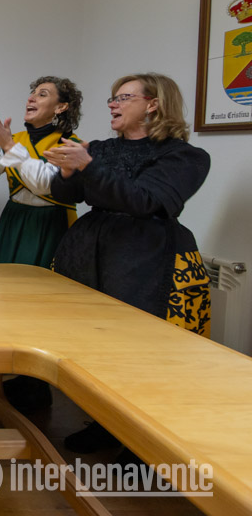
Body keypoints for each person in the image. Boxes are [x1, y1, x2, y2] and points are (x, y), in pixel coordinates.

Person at [45, 73, 211, 453]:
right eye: (112, 98)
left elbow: (144, 201)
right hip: (90, 252)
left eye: (123, 97)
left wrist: (87, 164)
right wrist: (68, 171)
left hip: (147, 259)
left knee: (142, 353)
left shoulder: (185, 156)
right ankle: (104, 425)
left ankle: (146, 444)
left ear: (152, 104)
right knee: (94, 348)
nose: (112, 104)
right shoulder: (100, 148)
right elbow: (69, 194)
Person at [0, 76, 83, 411]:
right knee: (3, 297)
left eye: (43, 94)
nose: (32, 98)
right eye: (32, 92)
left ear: (61, 107)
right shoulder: (13, 140)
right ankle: (8, 373)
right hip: (14, 220)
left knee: (39, 304)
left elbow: (46, 184)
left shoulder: (68, 143)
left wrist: (7, 147)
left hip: (50, 224)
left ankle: (37, 385)